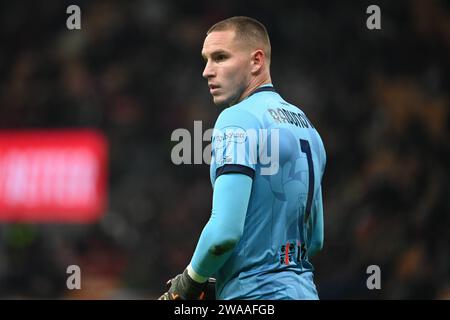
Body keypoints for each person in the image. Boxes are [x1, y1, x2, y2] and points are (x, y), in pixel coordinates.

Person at [159, 16, 326, 300]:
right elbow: (315, 239)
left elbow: (223, 233)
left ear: (256, 61)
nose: (207, 71)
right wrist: (228, 277)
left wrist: (190, 282)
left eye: (220, 57)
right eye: (206, 59)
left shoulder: (237, 119)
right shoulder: (308, 128)